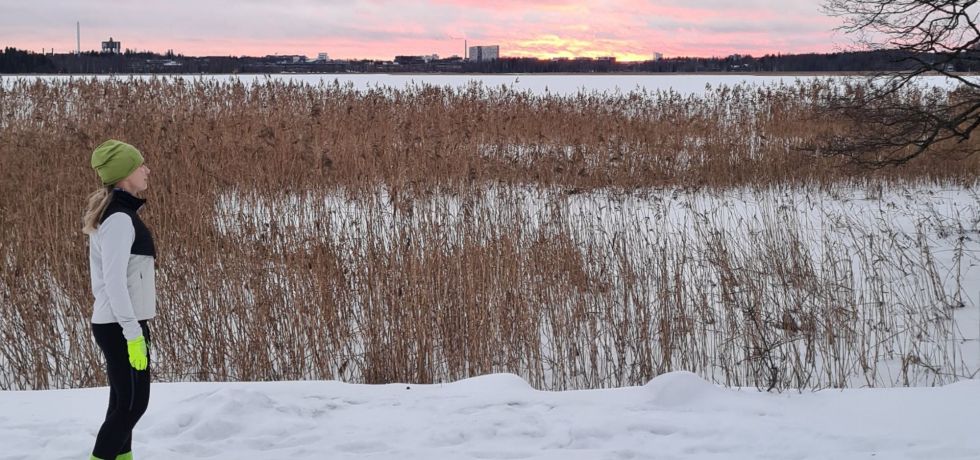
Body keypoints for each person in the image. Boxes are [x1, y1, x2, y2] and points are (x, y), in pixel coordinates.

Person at [82, 139, 156, 460]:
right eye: (141, 165)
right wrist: (133, 334)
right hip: (120, 325)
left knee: (121, 402)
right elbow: (113, 284)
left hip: (119, 322)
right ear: (125, 173)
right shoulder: (119, 220)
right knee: (132, 405)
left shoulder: (119, 214)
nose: (147, 169)